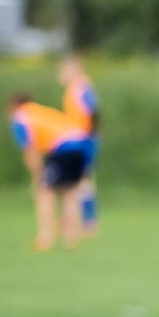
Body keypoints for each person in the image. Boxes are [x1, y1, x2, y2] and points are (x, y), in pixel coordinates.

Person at [8, 95, 92, 251]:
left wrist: (37, 176)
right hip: (82, 144)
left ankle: (45, 237)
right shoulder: (39, 111)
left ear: (13, 105)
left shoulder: (20, 117)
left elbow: (30, 150)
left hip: (64, 147)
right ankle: (72, 237)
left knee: (44, 191)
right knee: (70, 192)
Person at [58, 54, 99, 237]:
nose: (60, 73)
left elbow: (92, 112)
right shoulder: (74, 88)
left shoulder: (81, 86)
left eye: (64, 69)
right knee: (78, 180)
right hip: (77, 139)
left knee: (81, 180)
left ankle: (88, 221)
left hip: (83, 140)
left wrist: (88, 136)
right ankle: (73, 218)